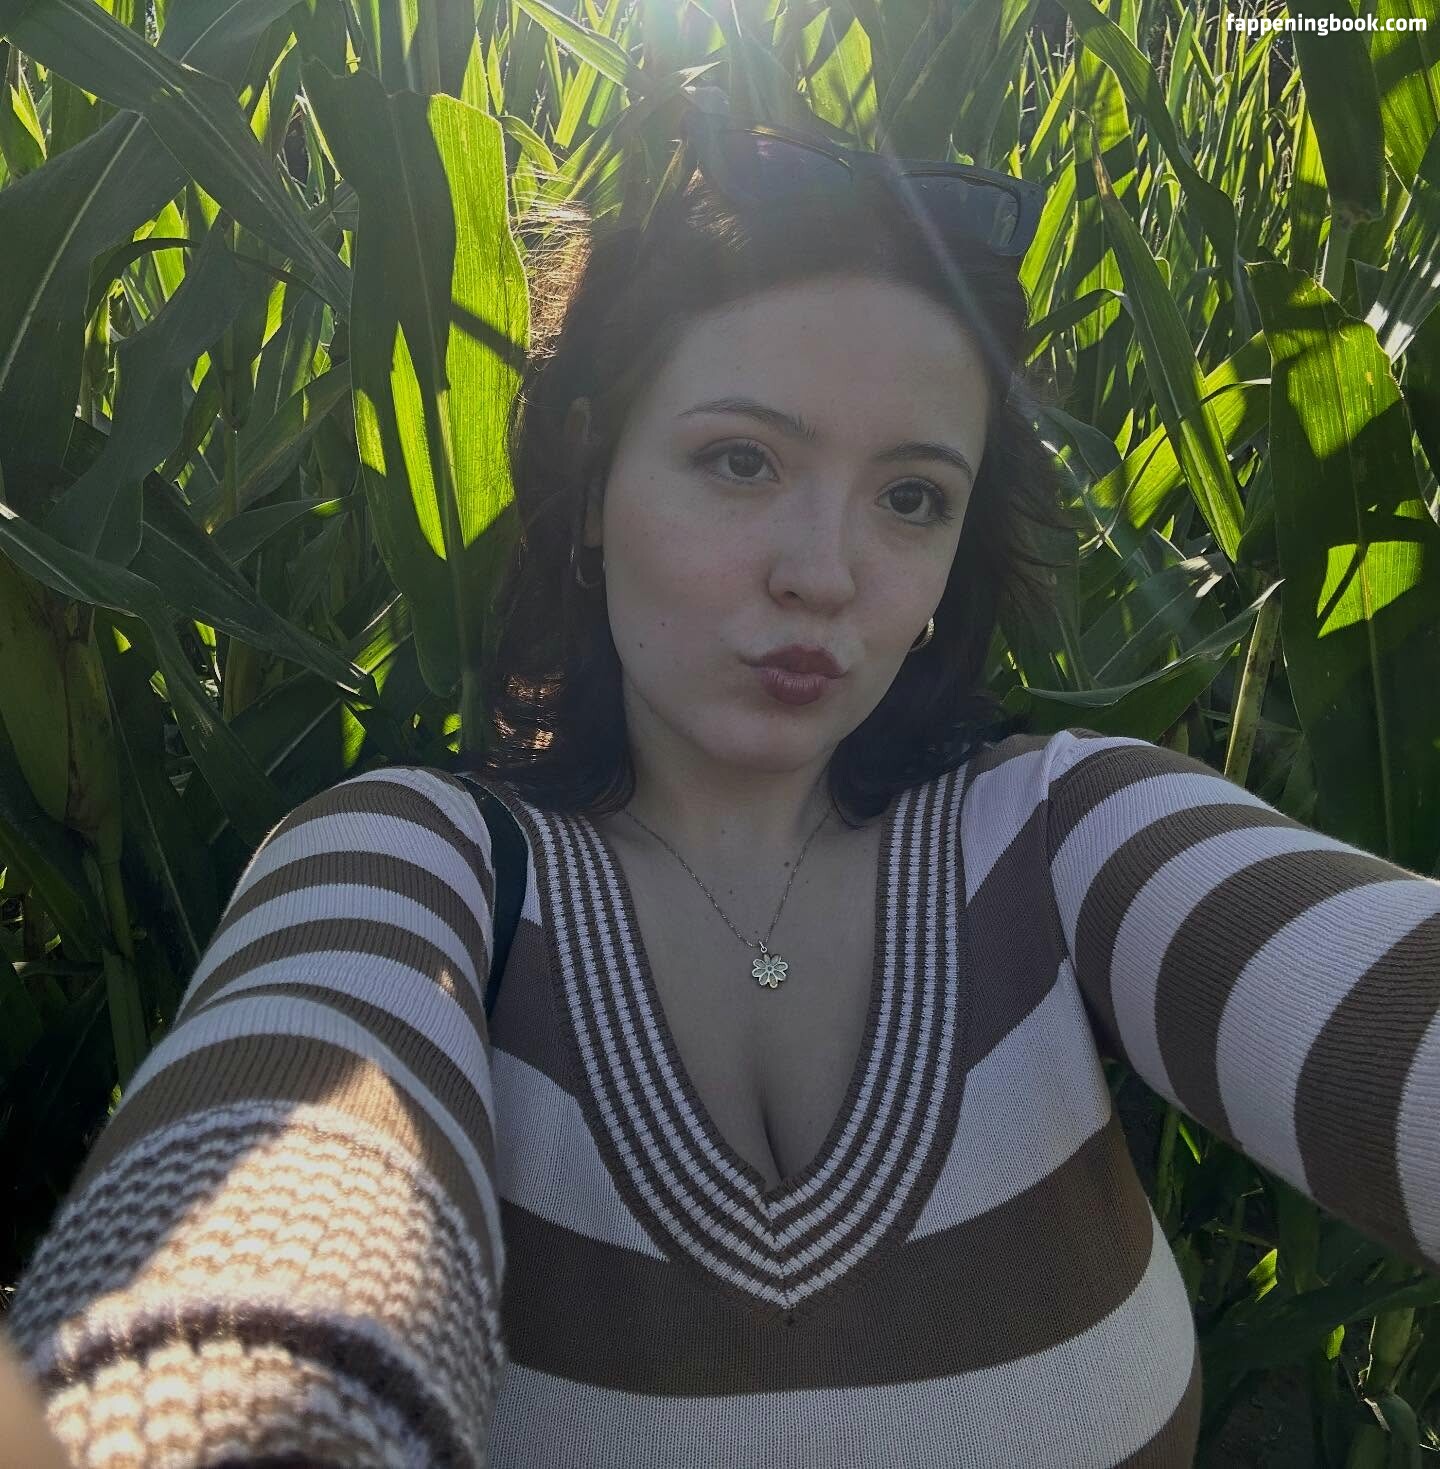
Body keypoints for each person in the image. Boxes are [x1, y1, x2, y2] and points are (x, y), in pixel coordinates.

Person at [6, 95, 1439, 1469]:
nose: (823, 572)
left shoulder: (1070, 836)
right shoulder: (420, 865)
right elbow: (264, 1226)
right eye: (741, 460)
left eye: (912, 496)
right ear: (592, 483)